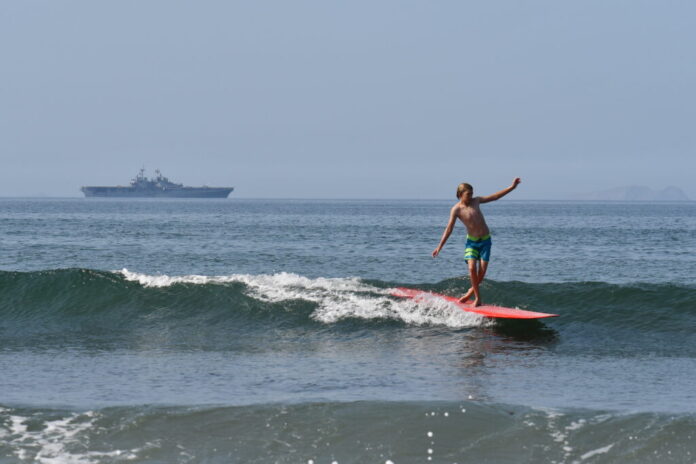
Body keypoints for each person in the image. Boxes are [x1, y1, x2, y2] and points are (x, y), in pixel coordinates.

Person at [432, 178, 521, 307]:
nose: (471, 196)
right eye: (468, 194)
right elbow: (449, 229)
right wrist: (439, 247)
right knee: (472, 268)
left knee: (481, 273)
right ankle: (478, 299)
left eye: (472, 193)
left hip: (485, 241)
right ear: (460, 194)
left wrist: (512, 187)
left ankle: (470, 292)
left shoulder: (476, 201)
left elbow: (495, 197)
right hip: (472, 243)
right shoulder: (456, 210)